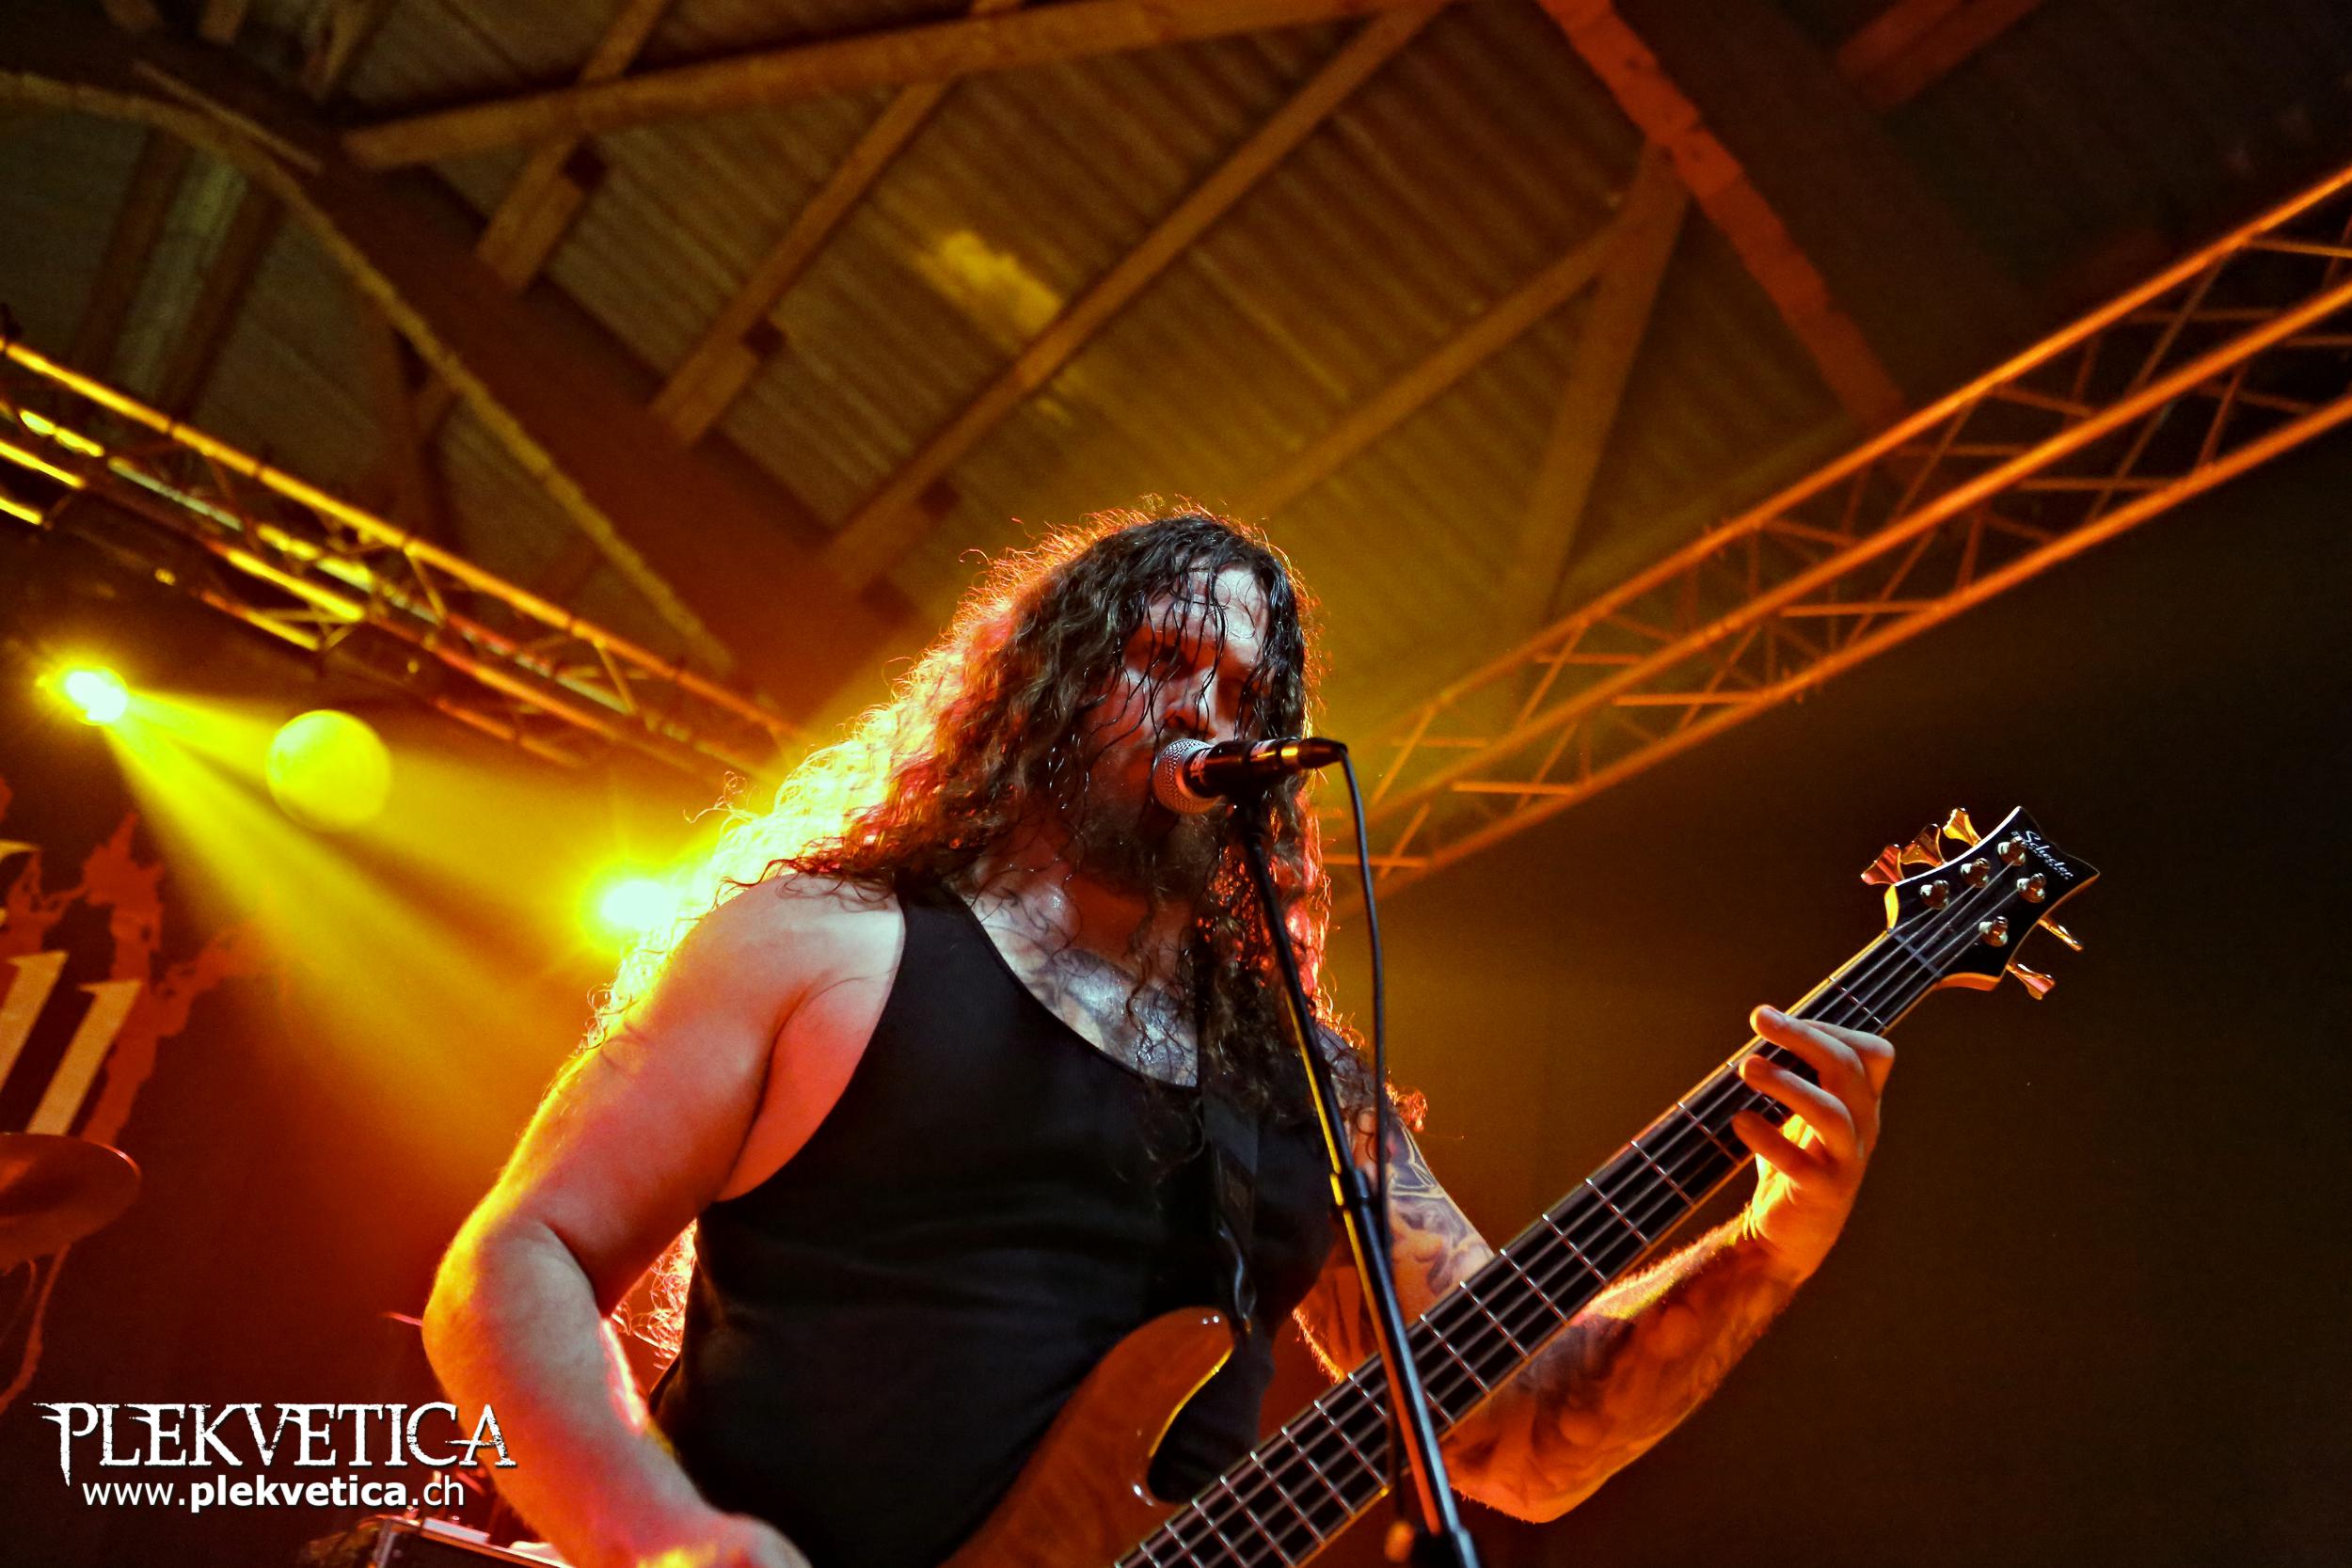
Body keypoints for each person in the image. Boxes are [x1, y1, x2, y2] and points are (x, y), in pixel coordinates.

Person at [421, 510, 1894, 1568]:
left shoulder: (1300, 1087)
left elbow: (1526, 1439)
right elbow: (514, 1261)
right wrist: (664, 1541)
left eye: (1247, 691)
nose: (1209, 712)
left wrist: (1773, 1241)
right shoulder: (826, 942)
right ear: (1044, 688)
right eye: (1165, 658)